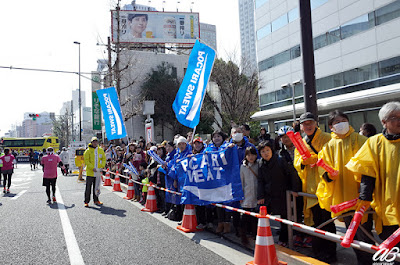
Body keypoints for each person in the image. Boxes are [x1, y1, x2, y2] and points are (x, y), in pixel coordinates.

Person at [316, 110, 372, 264]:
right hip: (343, 199)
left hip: (362, 196)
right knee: (351, 234)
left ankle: (369, 261)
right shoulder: (329, 146)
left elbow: (370, 164)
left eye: (343, 120)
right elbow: (322, 168)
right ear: (331, 126)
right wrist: (328, 175)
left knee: (365, 234)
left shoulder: (360, 140)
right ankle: (362, 261)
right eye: (336, 122)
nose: (340, 124)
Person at [346, 102, 400, 254]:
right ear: (384, 122)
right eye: (394, 117)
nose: (399, 121)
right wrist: (365, 197)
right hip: (387, 204)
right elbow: (366, 172)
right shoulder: (374, 142)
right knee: (392, 249)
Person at [293, 112, 333, 255]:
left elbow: (334, 159)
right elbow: (296, 163)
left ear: (316, 123)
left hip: (327, 185)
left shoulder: (328, 138)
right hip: (310, 188)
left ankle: (330, 253)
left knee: (328, 221)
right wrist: (303, 162)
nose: (308, 126)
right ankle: (318, 252)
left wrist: (318, 159)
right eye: (305, 124)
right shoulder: (301, 143)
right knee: (316, 221)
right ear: (301, 127)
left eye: (310, 122)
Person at [257, 140, 301, 247]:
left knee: (285, 217)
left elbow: (292, 174)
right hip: (269, 194)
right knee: (266, 216)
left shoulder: (280, 160)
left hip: (283, 193)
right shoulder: (261, 163)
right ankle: (266, 237)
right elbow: (260, 181)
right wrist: (260, 196)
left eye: (267, 150)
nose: (266, 153)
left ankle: (284, 239)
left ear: (272, 150)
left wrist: (295, 189)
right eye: (263, 151)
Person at [205, 130, 230, 233]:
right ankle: (220, 223)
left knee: (227, 202)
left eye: (219, 136)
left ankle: (227, 224)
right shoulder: (209, 149)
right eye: (214, 137)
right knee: (218, 203)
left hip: (226, 180)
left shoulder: (227, 147)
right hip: (215, 180)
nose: (216, 138)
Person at [239, 146, 259, 245]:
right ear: (245, 156)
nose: (251, 157)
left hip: (256, 195)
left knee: (255, 217)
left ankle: (255, 235)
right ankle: (244, 236)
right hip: (246, 194)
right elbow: (241, 182)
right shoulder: (243, 167)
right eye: (248, 155)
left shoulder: (258, 165)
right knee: (245, 217)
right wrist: (241, 195)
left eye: (253, 155)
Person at [83, 137, 106, 207]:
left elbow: (103, 158)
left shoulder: (100, 150)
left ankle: (96, 200)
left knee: (96, 187)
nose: (95, 143)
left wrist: (102, 166)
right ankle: (86, 201)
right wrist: (92, 168)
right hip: (90, 173)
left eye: (96, 142)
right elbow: (86, 161)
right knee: (88, 187)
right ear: (91, 142)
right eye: (93, 142)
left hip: (98, 172)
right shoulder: (88, 151)